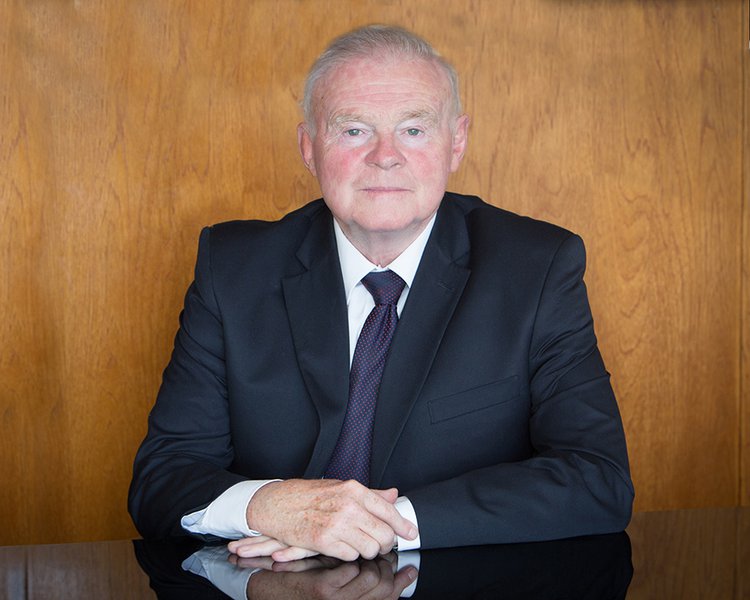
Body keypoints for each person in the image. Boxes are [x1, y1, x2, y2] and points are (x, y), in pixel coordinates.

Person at [128, 24, 633, 564]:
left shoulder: (536, 268)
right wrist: (267, 505)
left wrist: (385, 524)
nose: (385, 156)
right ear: (308, 147)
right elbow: (163, 478)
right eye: (354, 131)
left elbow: (597, 477)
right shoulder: (233, 269)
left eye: (414, 129)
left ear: (457, 142)